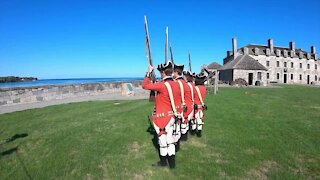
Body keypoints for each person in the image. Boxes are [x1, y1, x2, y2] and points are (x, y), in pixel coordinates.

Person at [142, 61, 180, 169]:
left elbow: (144, 85)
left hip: (162, 118)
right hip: (172, 116)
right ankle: (172, 165)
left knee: (163, 142)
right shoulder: (175, 84)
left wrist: (148, 73)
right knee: (171, 141)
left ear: (163, 72)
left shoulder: (162, 85)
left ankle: (163, 163)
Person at [172, 63, 185, 148]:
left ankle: (176, 145)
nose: (173, 74)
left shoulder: (177, 83)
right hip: (182, 106)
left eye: (174, 72)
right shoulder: (184, 82)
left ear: (176, 72)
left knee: (175, 127)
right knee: (179, 126)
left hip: (177, 106)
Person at [192, 73, 207, 137]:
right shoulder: (204, 88)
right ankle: (199, 131)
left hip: (195, 104)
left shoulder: (195, 88)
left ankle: (193, 131)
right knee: (200, 118)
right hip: (201, 105)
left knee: (194, 119)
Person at [182, 70, 195, 139]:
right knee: (188, 121)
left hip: (186, 106)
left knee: (184, 122)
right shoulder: (193, 85)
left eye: (184, 76)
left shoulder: (185, 86)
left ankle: (184, 137)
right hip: (191, 105)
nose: (183, 78)